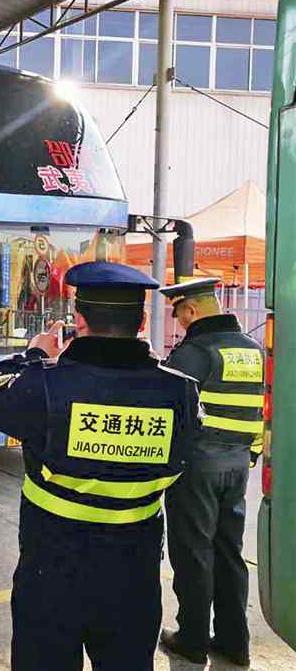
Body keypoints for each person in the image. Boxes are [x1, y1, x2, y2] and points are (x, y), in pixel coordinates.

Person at [0, 261, 201, 671]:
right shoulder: (182, 393)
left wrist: (34, 355)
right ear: (143, 321)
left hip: (52, 572)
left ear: (78, 320)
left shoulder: (45, 386)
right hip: (134, 573)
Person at [158, 278, 264, 667]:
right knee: (228, 553)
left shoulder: (194, 352)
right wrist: (248, 455)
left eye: (181, 314)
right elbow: (256, 409)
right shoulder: (253, 351)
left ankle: (193, 639)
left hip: (197, 468)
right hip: (238, 465)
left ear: (193, 310)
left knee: (193, 553)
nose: (180, 323)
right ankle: (235, 642)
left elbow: (168, 412)